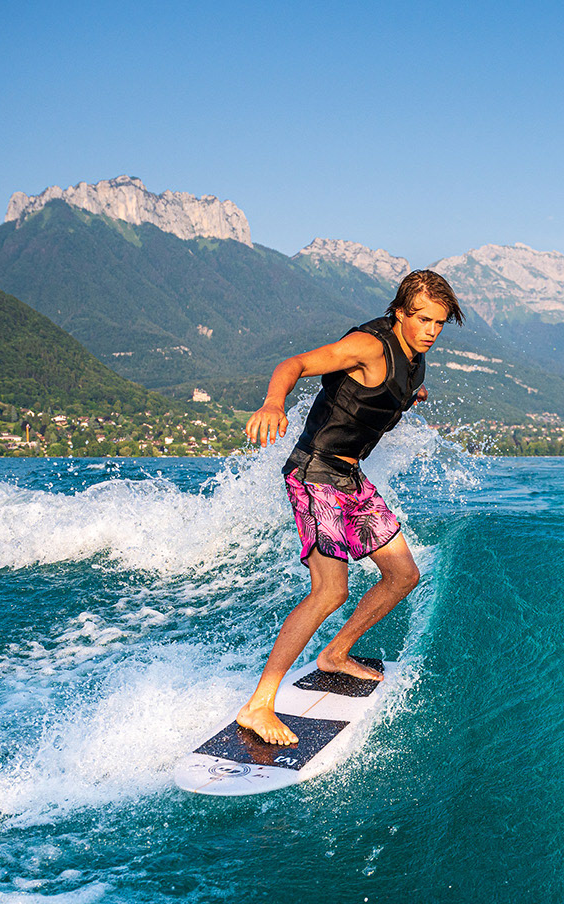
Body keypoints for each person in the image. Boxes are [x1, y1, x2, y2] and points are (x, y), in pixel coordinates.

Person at [235, 269, 463, 745]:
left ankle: (336, 653)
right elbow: (293, 363)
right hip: (314, 472)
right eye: (422, 319)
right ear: (399, 312)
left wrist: (407, 395)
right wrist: (274, 403)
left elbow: (382, 395)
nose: (430, 331)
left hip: (349, 479)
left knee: (403, 575)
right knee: (329, 591)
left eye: (438, 323)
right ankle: (258, 705)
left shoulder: (415, 359)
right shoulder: (368, 345)